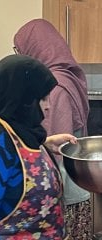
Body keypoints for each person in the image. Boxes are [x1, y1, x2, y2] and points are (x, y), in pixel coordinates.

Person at [0, 54, 78, 239]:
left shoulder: (18, 130)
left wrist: (43, 144)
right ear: (23, 100)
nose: (49, 106)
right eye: (43, 99)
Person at [14, 18, 91, 240]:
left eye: (19, 49)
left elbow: (50, 142)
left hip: (63, 196)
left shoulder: (54, 85)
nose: (20, 55)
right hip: (75, 188)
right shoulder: (68, 76)